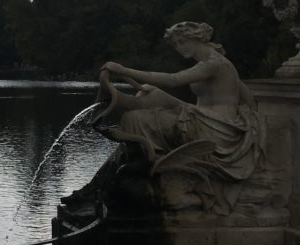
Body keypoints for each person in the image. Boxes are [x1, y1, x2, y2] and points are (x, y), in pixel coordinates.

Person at [97, 21, 262, 213]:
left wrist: (124, 71)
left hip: (217, 129)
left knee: (136, 119)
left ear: (196, 38)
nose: (179, 48)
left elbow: (173, 79)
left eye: (182, 42)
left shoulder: (214, 64)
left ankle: (139, 170)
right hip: (203, 118)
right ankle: (118, 100)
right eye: (175, 44)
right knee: (151, 95)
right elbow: (247, 96)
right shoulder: (214, 63)